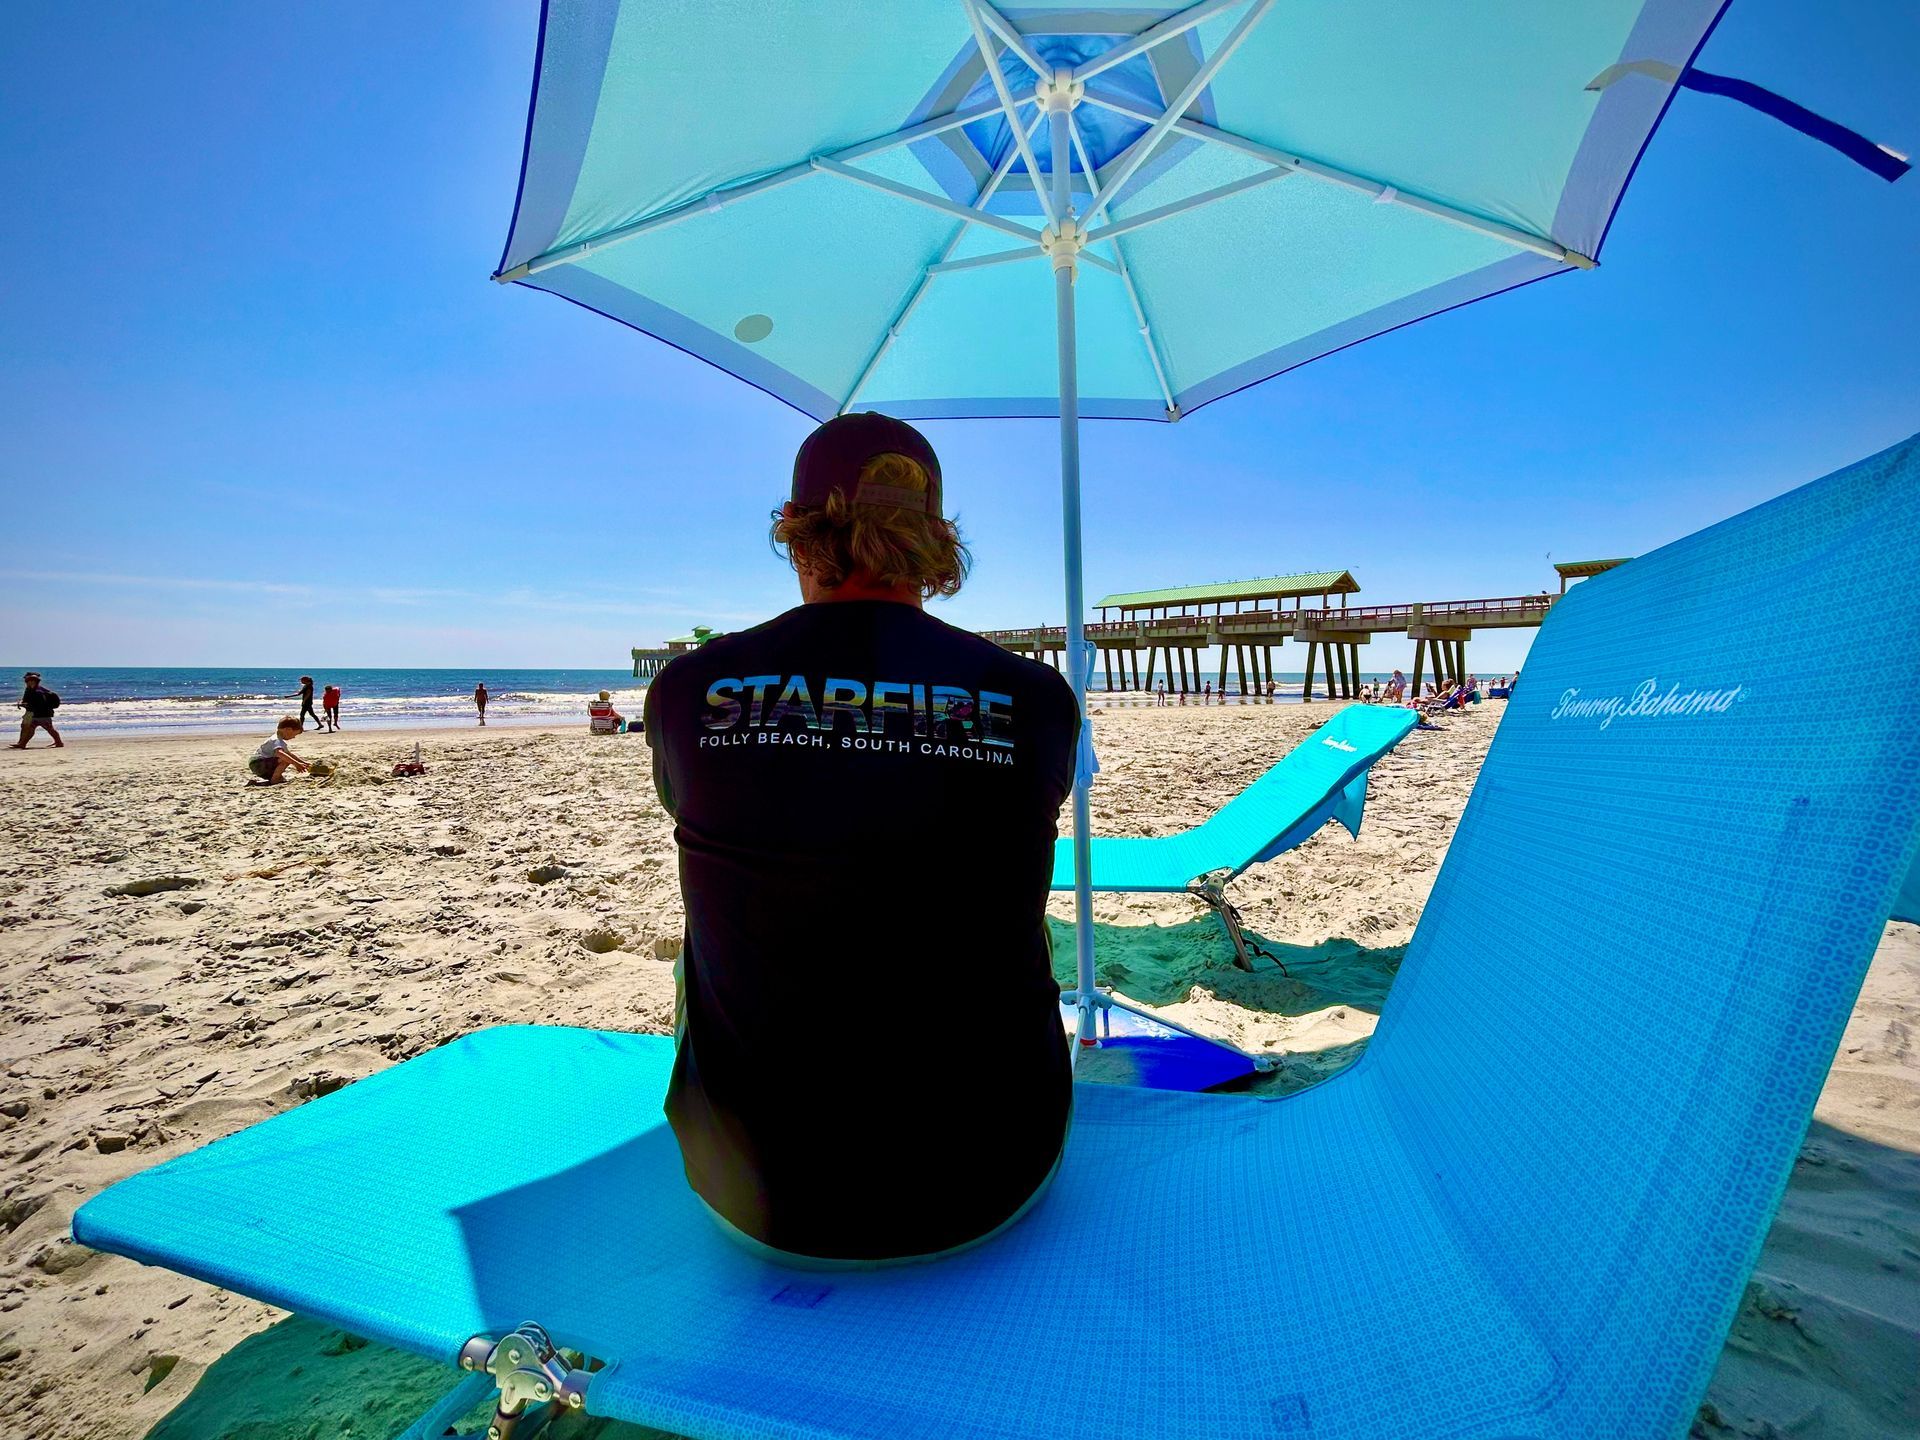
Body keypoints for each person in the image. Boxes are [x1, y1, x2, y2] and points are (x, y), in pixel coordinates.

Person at [644, 411, 1076, 1267]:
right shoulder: (1034, 697)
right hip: (993, 1172)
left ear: (796, 530)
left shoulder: (691, 687)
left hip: (751, 1190)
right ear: (937, 538)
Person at [247, 716, 310, 784]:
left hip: (259, 763)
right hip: (258, 764)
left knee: (283, 771)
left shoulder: (279, 740)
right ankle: (275, 780)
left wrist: (303, 763)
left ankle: (262, 782)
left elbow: (289, 754)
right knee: (285, 759)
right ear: (288, 729)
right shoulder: (276, 740)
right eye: (294, 734)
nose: (294, 737)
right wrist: (296, 764)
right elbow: (280, 753)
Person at [11, 672, 62, 749]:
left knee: (47, 729)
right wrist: (23, 704)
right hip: (32, 713)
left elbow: (38, 704)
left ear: (34, 681)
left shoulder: (38, 692)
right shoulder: (29, 689)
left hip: (40, 714)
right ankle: (21, 743)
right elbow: (27, 701)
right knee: (26, 727)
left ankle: (22, 744)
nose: (26, 681)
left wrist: (25, 705)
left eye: (27, 680)